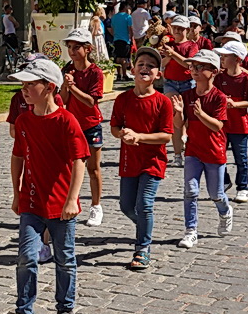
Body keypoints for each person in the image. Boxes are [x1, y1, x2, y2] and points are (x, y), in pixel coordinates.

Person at [7, 57, 88, 314]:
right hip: (31, 202)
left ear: (50, 87)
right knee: (26, 257)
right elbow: (17, 156)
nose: (24, 90)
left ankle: (65, 311)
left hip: (61, 205)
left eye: (31, 84)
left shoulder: (66, 121)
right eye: (23, 85)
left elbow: (79, 160)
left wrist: (72, 199)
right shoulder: (24, 120)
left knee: (65, 260)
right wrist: (16, 192)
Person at [109, 47, 172, 271]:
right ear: (132, 70)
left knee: (144, 204)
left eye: (150, 66)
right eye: (141, 64)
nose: (144, 68)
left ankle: (142, 248)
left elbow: (166, 135)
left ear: (158, 75)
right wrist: (122, 135)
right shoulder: (123, 98)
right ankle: (144, 228)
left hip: (153, 161)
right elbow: (115, 127)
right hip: (129, 161)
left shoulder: (163, 102)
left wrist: (140, 137)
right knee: (126, 206)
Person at [176, 51, 232, 247]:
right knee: (190, 191)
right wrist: (177, 112)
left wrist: (200, 114)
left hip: (214, 152)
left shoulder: (219, 97)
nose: (194, 71)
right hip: (193, 151)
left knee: (216, 194)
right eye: (192, 67)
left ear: (214, 71)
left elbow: (218, 126)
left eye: (200, 67)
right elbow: (179, 123)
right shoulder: (187, 95)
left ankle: (225, 211)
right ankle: (191, 231)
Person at [62, 27, 106, 227]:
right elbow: (61, 100)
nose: (72, 51)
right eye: (70, 46)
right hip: (71, 125)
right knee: (69, 168)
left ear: (88, 49)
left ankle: (96, 206)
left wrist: (74, 87)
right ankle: (71, 203)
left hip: (90, 124)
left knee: (93, 168)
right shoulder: (67, 70)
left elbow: (91, 102)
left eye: (77, 47)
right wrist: (65, 86)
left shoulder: (95, 73)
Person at [214, 42, 248, 203]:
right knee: (219, 156)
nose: (222, 59)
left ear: (237, 59)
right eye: (222, 56)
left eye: (225, 56)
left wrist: (236, 104)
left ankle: (243, 187)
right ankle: (223, 182)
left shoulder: (246, 79)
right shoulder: (219, 77)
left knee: (241, 159)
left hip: (240, 124)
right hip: (222, 124)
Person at [109, 2, 134, 80]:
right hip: (125, 40)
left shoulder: (114, 17)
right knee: (124, 58)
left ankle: (118, 74)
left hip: (116, 39)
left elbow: (112, 29)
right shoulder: (128, 17)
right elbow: (130, 29)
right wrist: (131, 37)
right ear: (125, 8)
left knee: (117, 58)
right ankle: (124, 74)